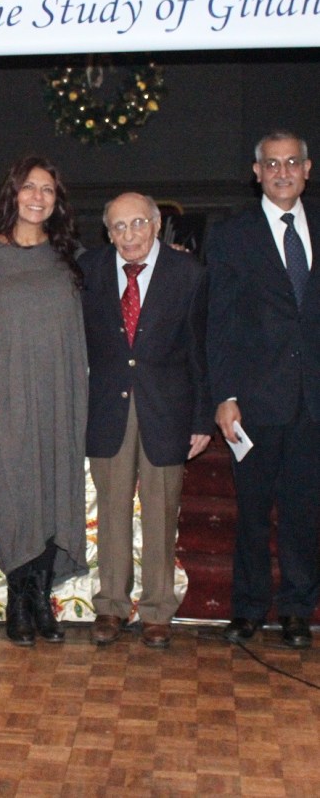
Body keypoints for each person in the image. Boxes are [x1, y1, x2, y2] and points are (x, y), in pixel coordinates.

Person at [0, 156, 88, 647]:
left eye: (48, 190)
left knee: (53, 490)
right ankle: (19, 597)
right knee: (14, 491)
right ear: (13, 193)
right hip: (6, 395)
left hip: (60, 392)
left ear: (57, 201)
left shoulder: (66, 255)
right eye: (29, 187)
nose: (38, 196)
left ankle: (40, 600)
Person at [80, 193, 213, 648]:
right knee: (111, 511)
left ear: (157, 225)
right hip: (107, 408)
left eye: (138, 223)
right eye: (119, 226)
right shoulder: (89, 271)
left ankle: (158, 610)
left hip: (168, 410)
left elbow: (200, 352)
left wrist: (201, 418)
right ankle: (111, 606)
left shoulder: (189, 274)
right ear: (107, 231)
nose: (129, 234)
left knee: (161, 512)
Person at [206, 131, 320, 649]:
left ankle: (298, 609)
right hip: (254, 401)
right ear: (257, 173)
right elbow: (219, 322)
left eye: (291, 162)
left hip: (313, 400)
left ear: (307, 168)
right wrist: (224, 395)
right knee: (250, 513)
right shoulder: (231, 235)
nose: (282, 171)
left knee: (304, 510)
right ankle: (248, 608)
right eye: (271, 164)